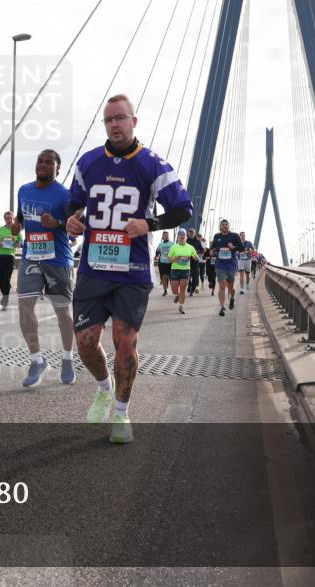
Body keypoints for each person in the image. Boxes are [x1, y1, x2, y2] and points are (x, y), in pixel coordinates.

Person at [66, 94, 193, 444]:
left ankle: (122, 414)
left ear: (134, 121)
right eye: (109, 120)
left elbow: (183, 210)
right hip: (93, 267)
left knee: (126, 342)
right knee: (86, 342)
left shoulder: (152, 164)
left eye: (121, 118)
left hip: (132, 270)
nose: (115, 125)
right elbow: (73, 207)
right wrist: (72, 223)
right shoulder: (88, 162)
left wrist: (148, 224)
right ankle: (104, 389)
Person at [12, 149, 76, 387]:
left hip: (58, 260)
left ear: (58, 168)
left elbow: (75, 228)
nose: (43, 165)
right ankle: (37, 360)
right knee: (25, 308)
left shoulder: (66, 195)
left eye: (49, 162)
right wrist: (14, 225)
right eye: (40, 161)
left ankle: (68, 358)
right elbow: (19, 222)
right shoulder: (24, 190)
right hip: (31, 258)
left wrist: (58, 223)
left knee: (63, 313)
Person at [210, 219, 243, 316]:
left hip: (231, 265)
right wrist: (212, 251)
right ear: (220, 227)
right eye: (223, 225)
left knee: (231, 287)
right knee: (222, 285)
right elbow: (213, 248)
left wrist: (233, 248)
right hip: (220, 265)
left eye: (226, 225)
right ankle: (222, 307)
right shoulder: (217, 236)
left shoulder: (235, 236)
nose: (225, 226)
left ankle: (232, 298)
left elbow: (242, 248)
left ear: (229, 226)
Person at [0, 211, 20, 311]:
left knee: (6, 279)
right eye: (7, 218)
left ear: (13, 219)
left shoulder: (16, 230)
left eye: (10, 218)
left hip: (10, 257)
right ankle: (5, 293)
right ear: (4, 219)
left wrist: (18, 243)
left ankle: (5, 299)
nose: (8, 220)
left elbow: (22, 243)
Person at [168, 228, 199, 314]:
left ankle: (181, 307)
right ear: (178, 237)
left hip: (185, 270)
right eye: (180, 235)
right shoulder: (174, 247)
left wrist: (195, 257)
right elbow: (169, 258)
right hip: (175, 270)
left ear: (186, 237)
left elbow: (196, 257)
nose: (182, 236)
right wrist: (175, 259)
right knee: (174, 288)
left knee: (183, 289)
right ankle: (176, 295)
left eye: (183, 235)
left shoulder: (190, 247)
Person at [185, 227, 204, 296]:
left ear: (195, 233)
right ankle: (189, 285)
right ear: (188, 233)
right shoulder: (185, 241)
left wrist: (196, 251)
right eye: (190, 232)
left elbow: (202, 250)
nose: (191, 233)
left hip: (195, 261)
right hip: (186, 261)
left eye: (192, 232)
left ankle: (192, 290)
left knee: (195, 277)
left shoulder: (198, 242)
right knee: (187, 276)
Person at [154, 231, 173, 296]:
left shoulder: (172, 244)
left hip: (170, 263)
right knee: (164, 277)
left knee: (171, 278)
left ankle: (174, 290)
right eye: (165, 235)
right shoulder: (160, 244)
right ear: (162, 237)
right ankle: (165, 290)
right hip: (162, 262)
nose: (166, 236)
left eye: (167, 235)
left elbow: (176, 251)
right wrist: (156, 256)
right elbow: (157, 251)